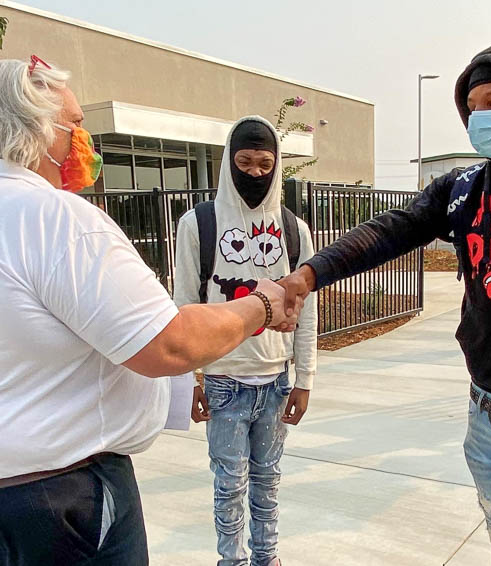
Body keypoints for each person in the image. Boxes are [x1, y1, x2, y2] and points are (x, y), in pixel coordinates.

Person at [0, 57, 301, 566]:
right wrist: (262, 306)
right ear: (36, 125)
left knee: (265, 481)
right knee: (231, 482)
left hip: (24, 492)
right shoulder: (55, 219)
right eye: (73, 124)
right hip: (63, 499)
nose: (83, 140)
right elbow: (170, 340)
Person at [280, 39, 491, 565]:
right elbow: (391, 230)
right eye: (473, 108)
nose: (482, 117)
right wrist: (308, 275)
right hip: (488, 416)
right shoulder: (465, 188)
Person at [174, 116, 317, 566]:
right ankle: (231, 562)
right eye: (244, 161)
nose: (255, 172)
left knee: (268, 485)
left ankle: (267, 559)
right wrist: (188, 381)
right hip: (222, 381)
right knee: (228, 486)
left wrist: (305, 378)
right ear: (228, 162)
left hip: (275, 383)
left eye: (264, 163)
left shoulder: (295, 230)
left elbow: (307, 310)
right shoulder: (199, 224)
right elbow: (183, 307)